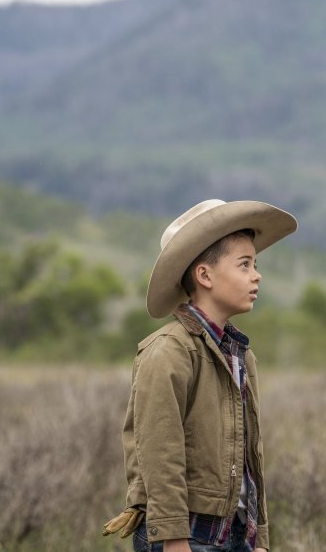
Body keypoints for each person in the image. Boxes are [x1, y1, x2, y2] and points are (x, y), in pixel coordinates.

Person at [102, 199, 297, 552]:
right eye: (244, 265)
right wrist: (175, 540)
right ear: (204, 275)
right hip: (188, 537)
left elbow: (251, 456)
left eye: (255, 264)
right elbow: (160, 453)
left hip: (236, 537)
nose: (257, 275)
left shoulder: (241, 355)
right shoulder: (168, 352)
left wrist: (259, 539)